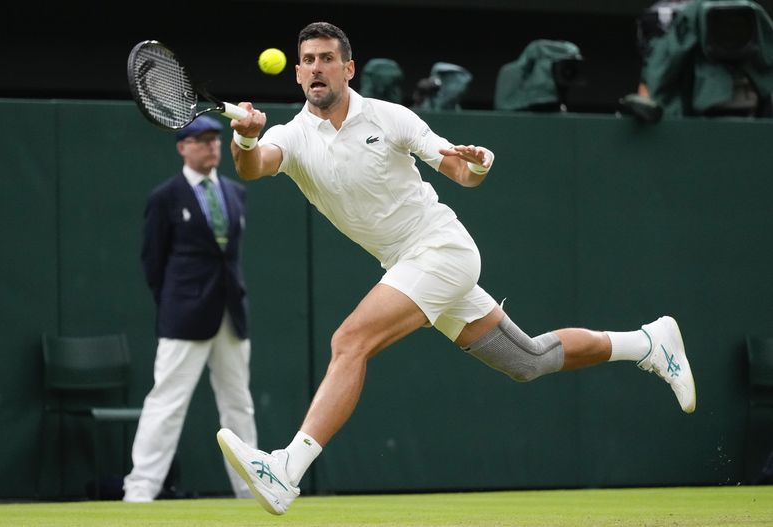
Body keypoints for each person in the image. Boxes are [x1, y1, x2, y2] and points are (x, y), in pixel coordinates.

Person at [215, 22, 697, 515]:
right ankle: (648, 343)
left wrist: (478, 164)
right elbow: (254, 166)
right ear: (297, 74)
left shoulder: (391, 117)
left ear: (348, 68)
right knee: (528, 360)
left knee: (350, 341)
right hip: (405, 262)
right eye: (308, 61)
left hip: (441, 250)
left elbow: (460, 171)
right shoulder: (290, 136)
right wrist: (246, 141)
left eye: (327, 58)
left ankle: (286, 470)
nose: (317, 68)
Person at [123, 115, 257, 502]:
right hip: (184, 316)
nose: (211, 146)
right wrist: (175, 304)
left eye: (215, 139)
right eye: (201, 140)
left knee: (239, 404)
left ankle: (251, 488)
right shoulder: (165, 197)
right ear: (183, 147)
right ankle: (140, 490)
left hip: (231, 314)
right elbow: (153, 262)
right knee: (167, 403)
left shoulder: (236, 193)